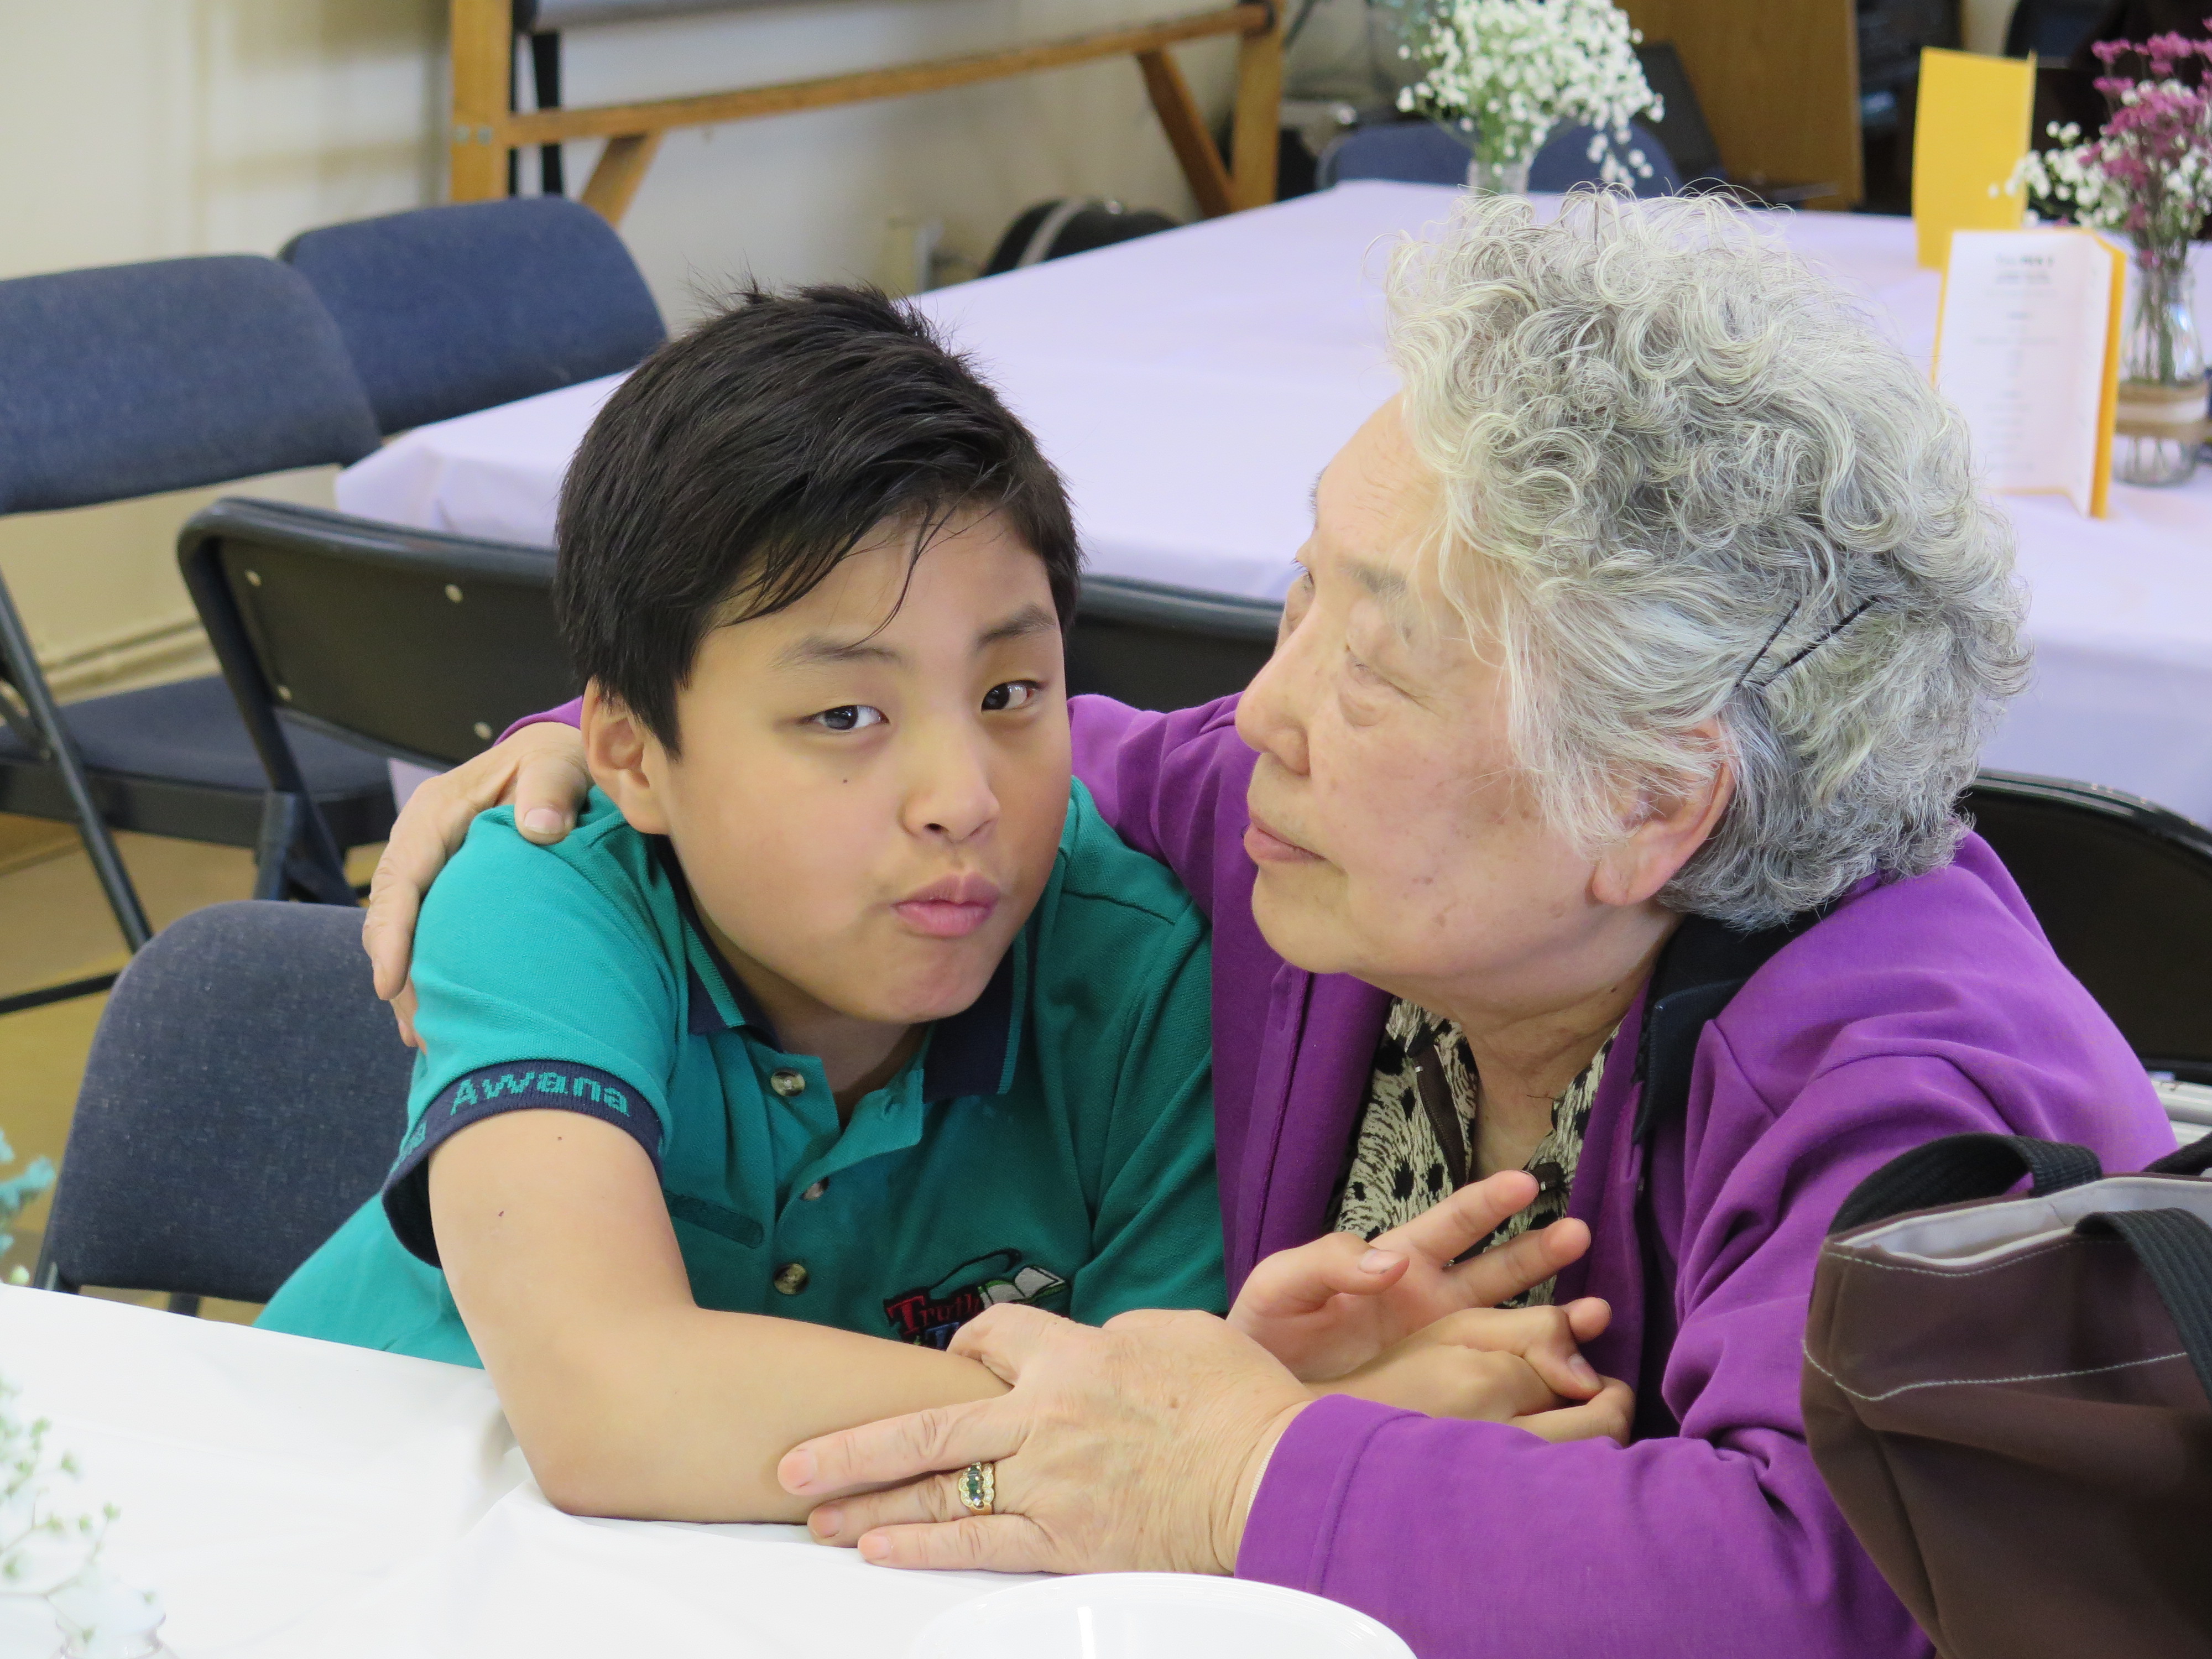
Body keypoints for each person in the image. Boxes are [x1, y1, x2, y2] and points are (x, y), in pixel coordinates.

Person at [363, 197, 2178, 1653]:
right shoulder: (1296, 827)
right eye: (1300, 598)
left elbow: (1846, 1591)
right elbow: (979, 754)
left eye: (1372, 662)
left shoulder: (1912, 1062)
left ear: (1649, 802)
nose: (1267, 710)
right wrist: (586, 750)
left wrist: (1245, 1472)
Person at [267, 284, 1621, 1527]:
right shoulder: (548, 884)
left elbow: (1119, 1493)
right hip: (346, 1537)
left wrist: (1215, 1421)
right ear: (627, 753)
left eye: (1009, 695)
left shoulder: (1136, 971)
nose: (960, 799)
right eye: (843, 716)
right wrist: (1269, 1429)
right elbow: (610, 1404)